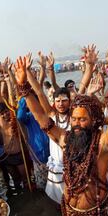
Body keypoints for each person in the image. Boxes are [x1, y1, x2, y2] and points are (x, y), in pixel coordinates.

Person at [16, 46, 108, 216]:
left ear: (94, 121)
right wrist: (23, 86)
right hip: (73, 215)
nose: (76, 124)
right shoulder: (66, 140)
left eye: (82, 119)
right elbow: (41, 118)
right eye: (74, 119)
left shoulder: (102, 147)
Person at [22, 53, 71, 204]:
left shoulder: (76, 118)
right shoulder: (51, 116)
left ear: (70, 102)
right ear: (54, 102)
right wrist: (27, 72)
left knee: (73, 204)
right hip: (55, 166)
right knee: (56, 203)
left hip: (72, 167)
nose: (61, 104)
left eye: (64, 100)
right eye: (58, 101)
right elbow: (39, 92)